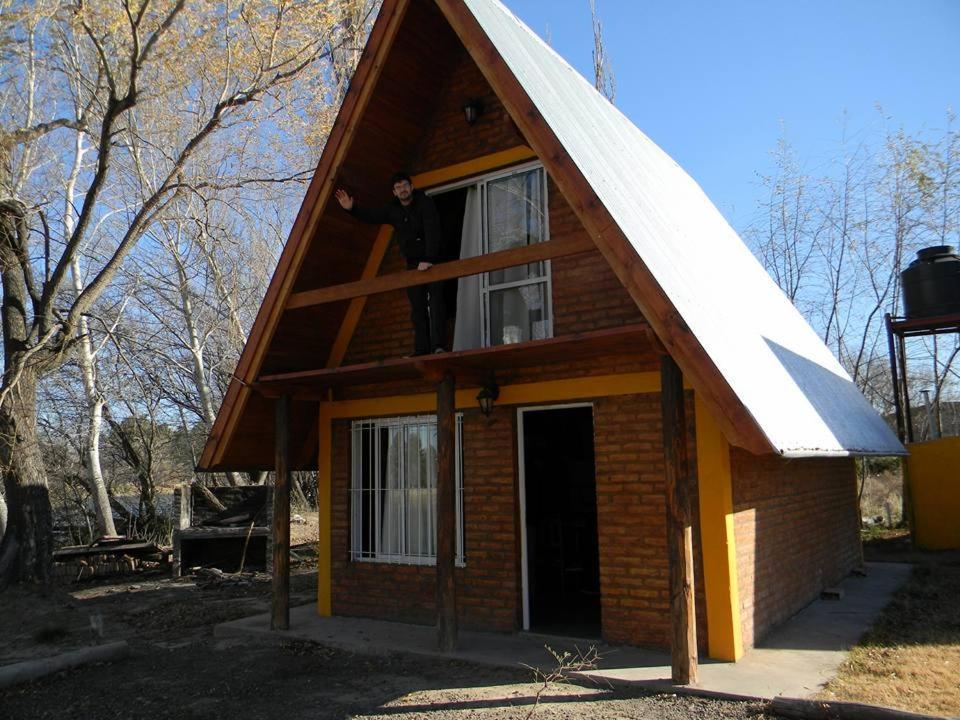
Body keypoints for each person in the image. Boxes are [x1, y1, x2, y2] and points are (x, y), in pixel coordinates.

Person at [335, 172, 446, 355]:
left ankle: (438, 347)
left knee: (436, 304)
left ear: (411, 187)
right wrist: (352, 208)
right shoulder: (393, 210)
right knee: (417, 308)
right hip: (413, 264)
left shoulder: (424, 203)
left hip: (433, 261)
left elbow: (432, 229)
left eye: (404, 185)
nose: (402, 190)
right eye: (398, 187)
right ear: (394, 192)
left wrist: (428, 259)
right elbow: (372, 216)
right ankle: (422, 350)